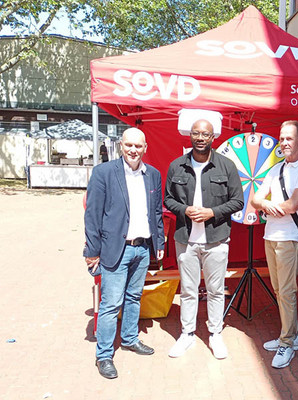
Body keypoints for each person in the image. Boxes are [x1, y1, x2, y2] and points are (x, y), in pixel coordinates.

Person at [84, 127, 165, 379]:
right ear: (121, 145)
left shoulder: (153, 175)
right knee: (110, 304)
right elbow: (92, 215)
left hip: (142, 248)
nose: (133, 150)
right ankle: (104, 355)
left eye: (138, 146)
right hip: (114, 249)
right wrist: (92, 251)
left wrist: (159, 243)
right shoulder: (103, 173)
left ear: (145, 148)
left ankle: (130, 338)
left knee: (134, 297)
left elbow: (157, 212)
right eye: (129, 145)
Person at [164, 118, 244, 360]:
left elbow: (238, 200)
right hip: (185, 238)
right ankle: (187, 334)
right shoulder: (177, 166)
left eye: (205, 134)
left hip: (216, 238)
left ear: (213, 138)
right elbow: (168, 199)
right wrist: (184, 210)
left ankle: (215, 334)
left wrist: (212, 212)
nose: (200, 138)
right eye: (196, 133)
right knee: (188, 289)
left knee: (216, 290)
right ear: (190, 136)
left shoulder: (226, 166)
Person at [251, 120, 298, 368]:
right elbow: (256, 199)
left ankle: (287, 342)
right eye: (282, 138)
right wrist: (266, 206)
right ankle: (291, 336)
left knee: (287, 292)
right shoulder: (276, 169)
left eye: (289, 138)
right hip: (271, 235)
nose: (285, 143)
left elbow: (292, 206)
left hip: (290, 237)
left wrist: (266, 206)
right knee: (279, 291)